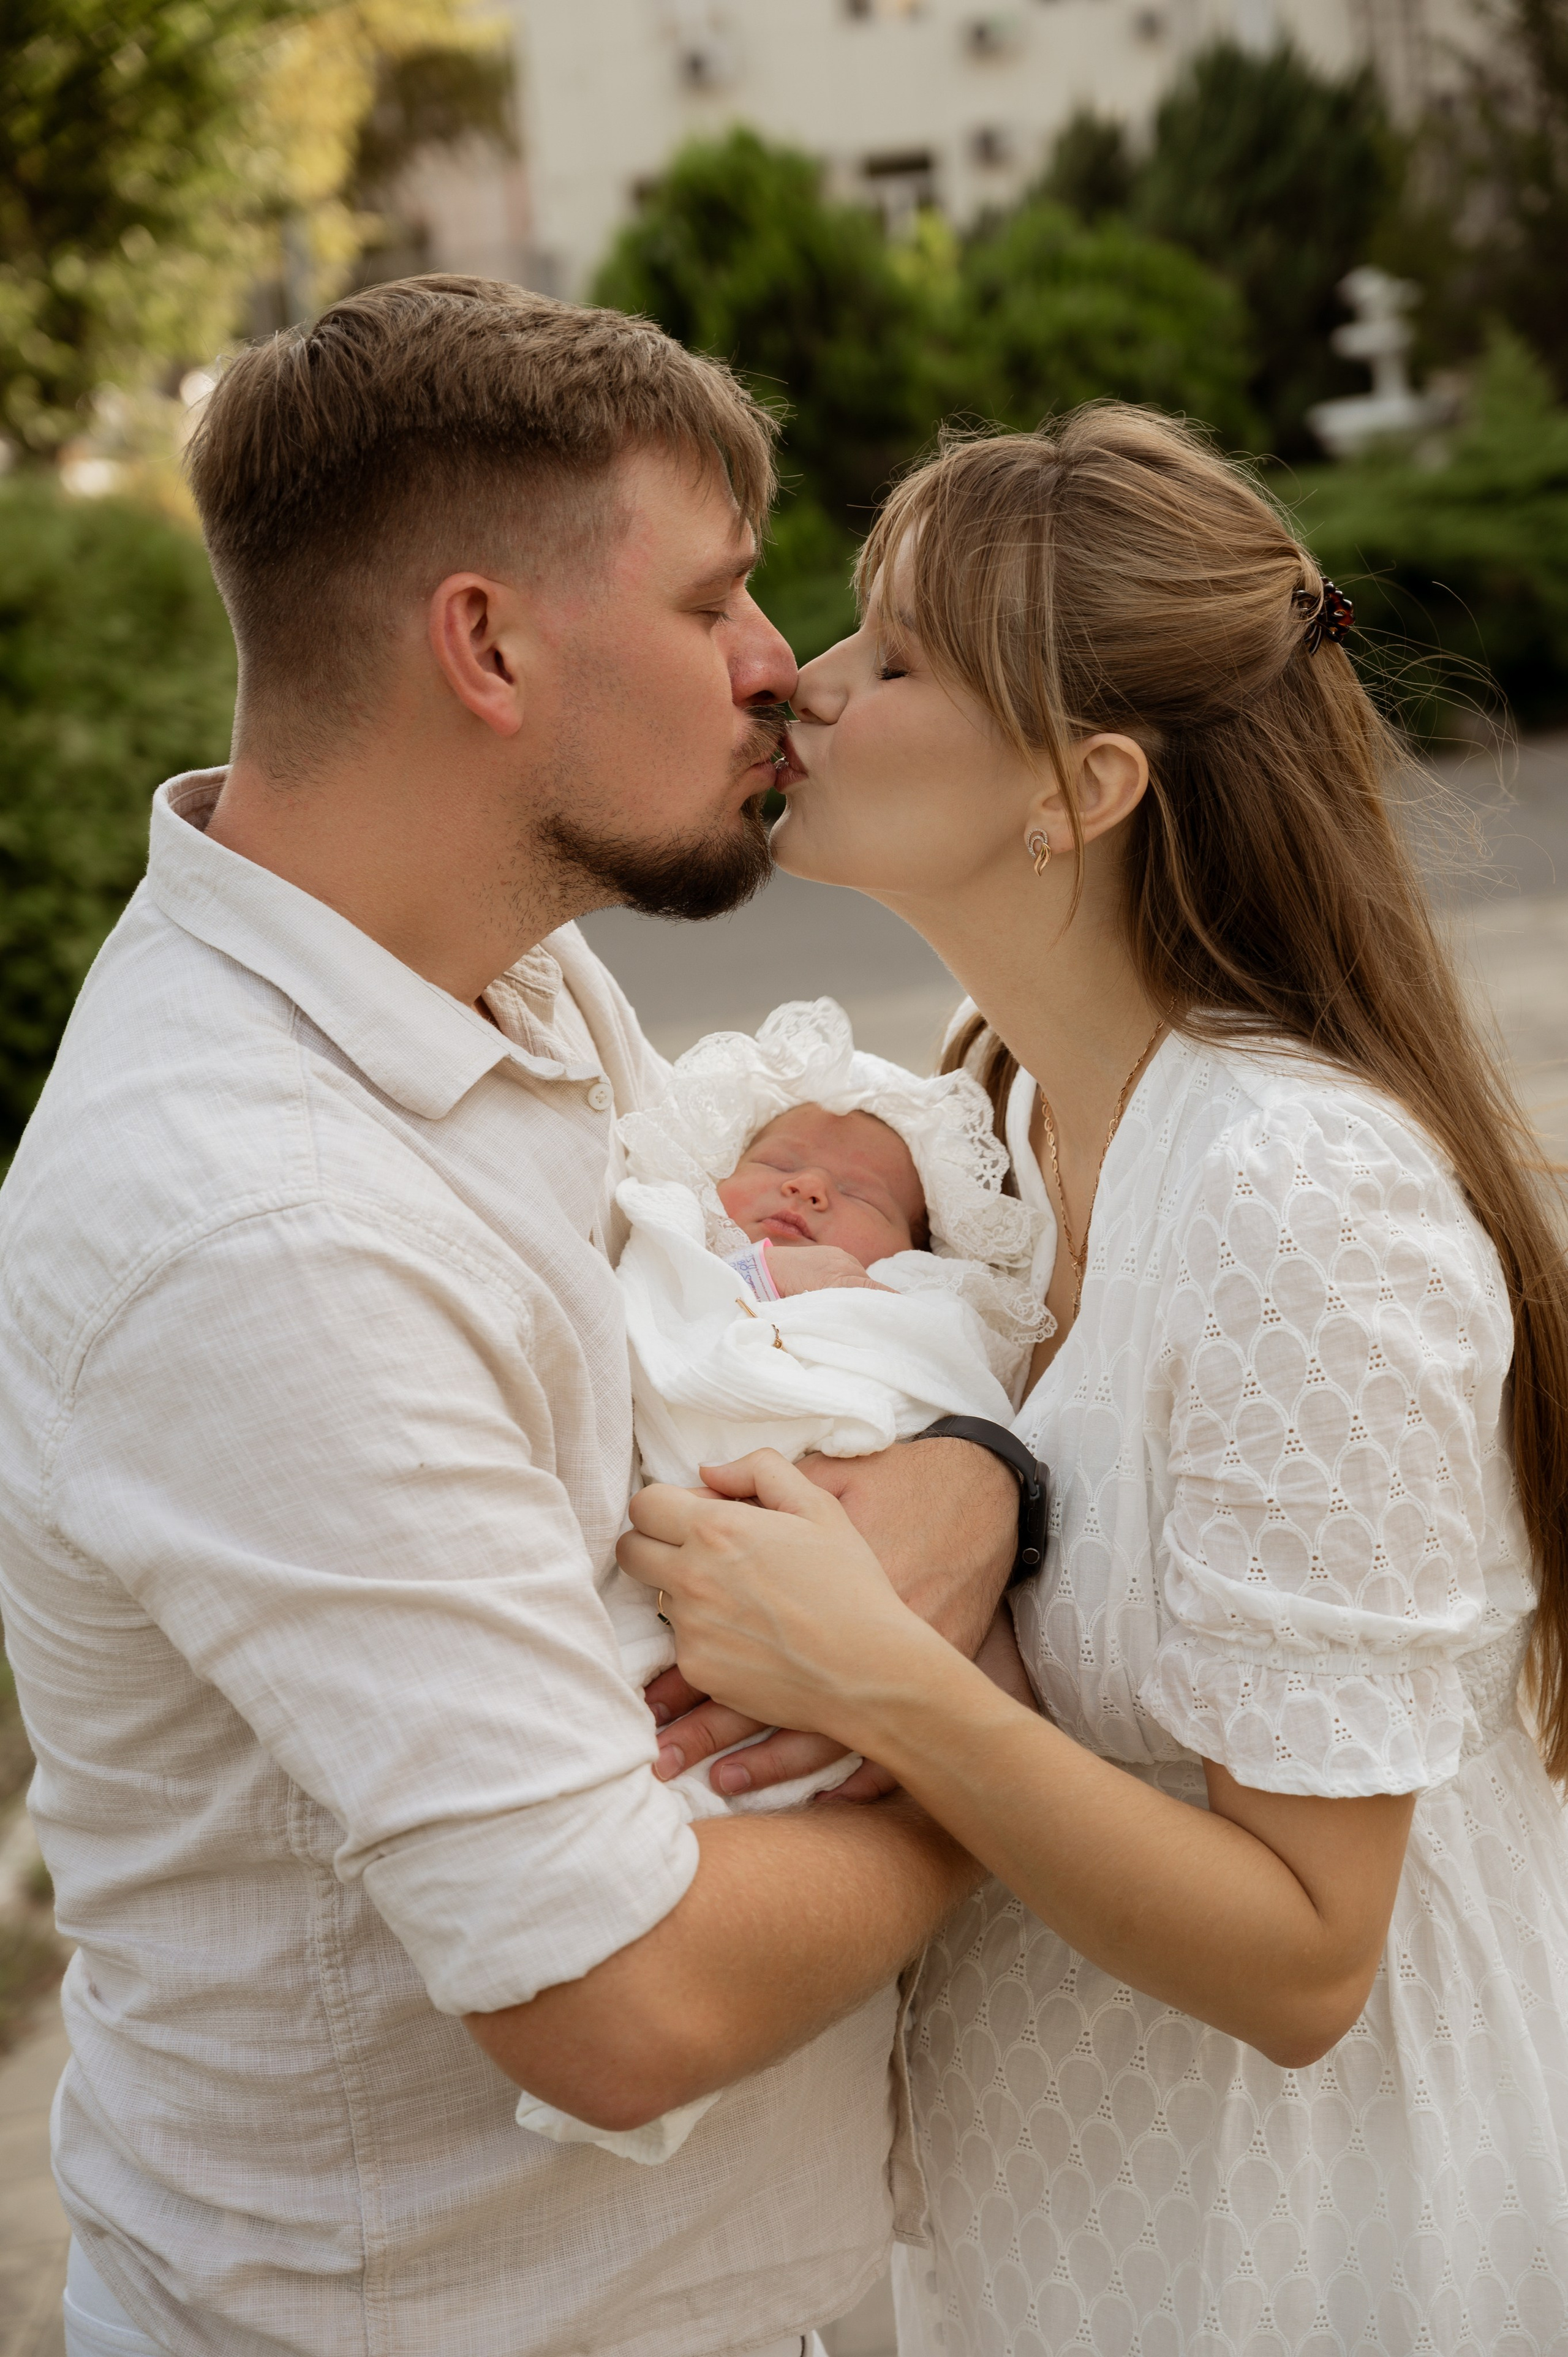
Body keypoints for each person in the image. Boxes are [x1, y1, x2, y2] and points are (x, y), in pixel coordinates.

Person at [0, 279, 1025, 2357]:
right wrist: (1008, 1751)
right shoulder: (263, 1222)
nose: (784, 674)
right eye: (723, 600)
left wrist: (969, 1476)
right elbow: (615, 2000)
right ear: (486, 643)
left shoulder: (492, 968)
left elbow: (742, 1348)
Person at [621, 407, 1568, 2356]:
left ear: (1080, 787)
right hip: (1061, 2210)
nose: (807, 679)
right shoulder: (986, 1119)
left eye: (894, 659)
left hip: (1304, 2244)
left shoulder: (1300, 1194)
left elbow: (1312, 1955)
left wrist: (873, 1673)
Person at [524, 994, 1048, 2163]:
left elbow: (941, 1383)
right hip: (667, 1549)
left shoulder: (911, 1305)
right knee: (635, 1730)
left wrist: (960, 1441)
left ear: (920, 1252)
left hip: (833, 1517)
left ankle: (675, 1952)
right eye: (778, 1161)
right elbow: (643, 1324)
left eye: (858, 1196)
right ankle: (621, 1961)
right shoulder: (665, 1230)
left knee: (747, 1773)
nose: (808, 1192)